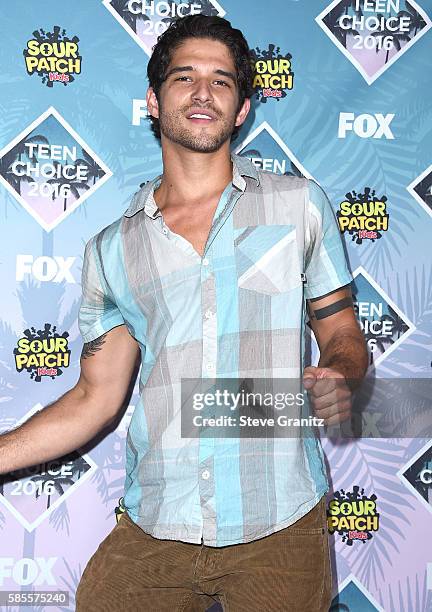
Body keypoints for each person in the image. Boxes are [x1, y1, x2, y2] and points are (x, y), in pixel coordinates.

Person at [0, 14, 368, 612]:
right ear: (153, 99)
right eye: (184, 77)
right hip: (155, 524)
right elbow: (95, 397)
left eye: (222, 81)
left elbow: (343, 333)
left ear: (243, 108)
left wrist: (342, 373)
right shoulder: (111, 250)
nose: (203, 92)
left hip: (281, 520)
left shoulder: (299, 205)